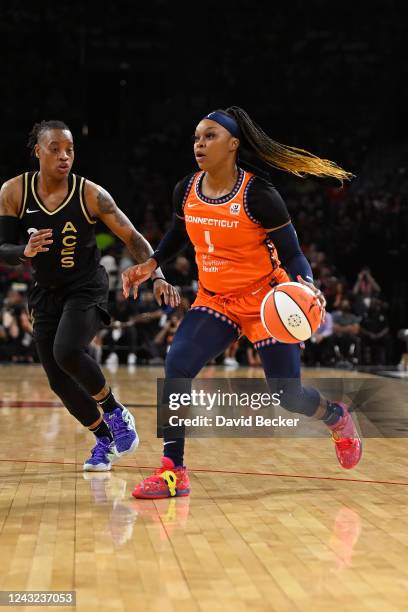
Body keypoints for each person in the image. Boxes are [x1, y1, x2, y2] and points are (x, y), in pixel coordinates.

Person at [122, 107, 362, 499]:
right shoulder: (186, 188)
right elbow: (178, 232)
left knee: (288, 395)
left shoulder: (260, 195)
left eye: (210, 136)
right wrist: (151, 263)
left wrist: (308, 286)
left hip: (267, 301)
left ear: (233, 144)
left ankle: (336, 417)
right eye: (197, 137)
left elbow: (294, 254)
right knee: (176, 364)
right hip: (216, 300)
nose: (200, 144)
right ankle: (173, 471)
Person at [0, 120, 179, 471]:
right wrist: (25, 249)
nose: (64, 156)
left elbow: (132, 237)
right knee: (57, 379)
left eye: (69, 149)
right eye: (55, 149)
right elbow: (2, 248)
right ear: (38, 151)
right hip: (46, 291)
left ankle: (115, 412)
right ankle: (103, 438)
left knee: (67, 350)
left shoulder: (91, 194)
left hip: (87, 287)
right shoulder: (13, 191)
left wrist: (156, 274)